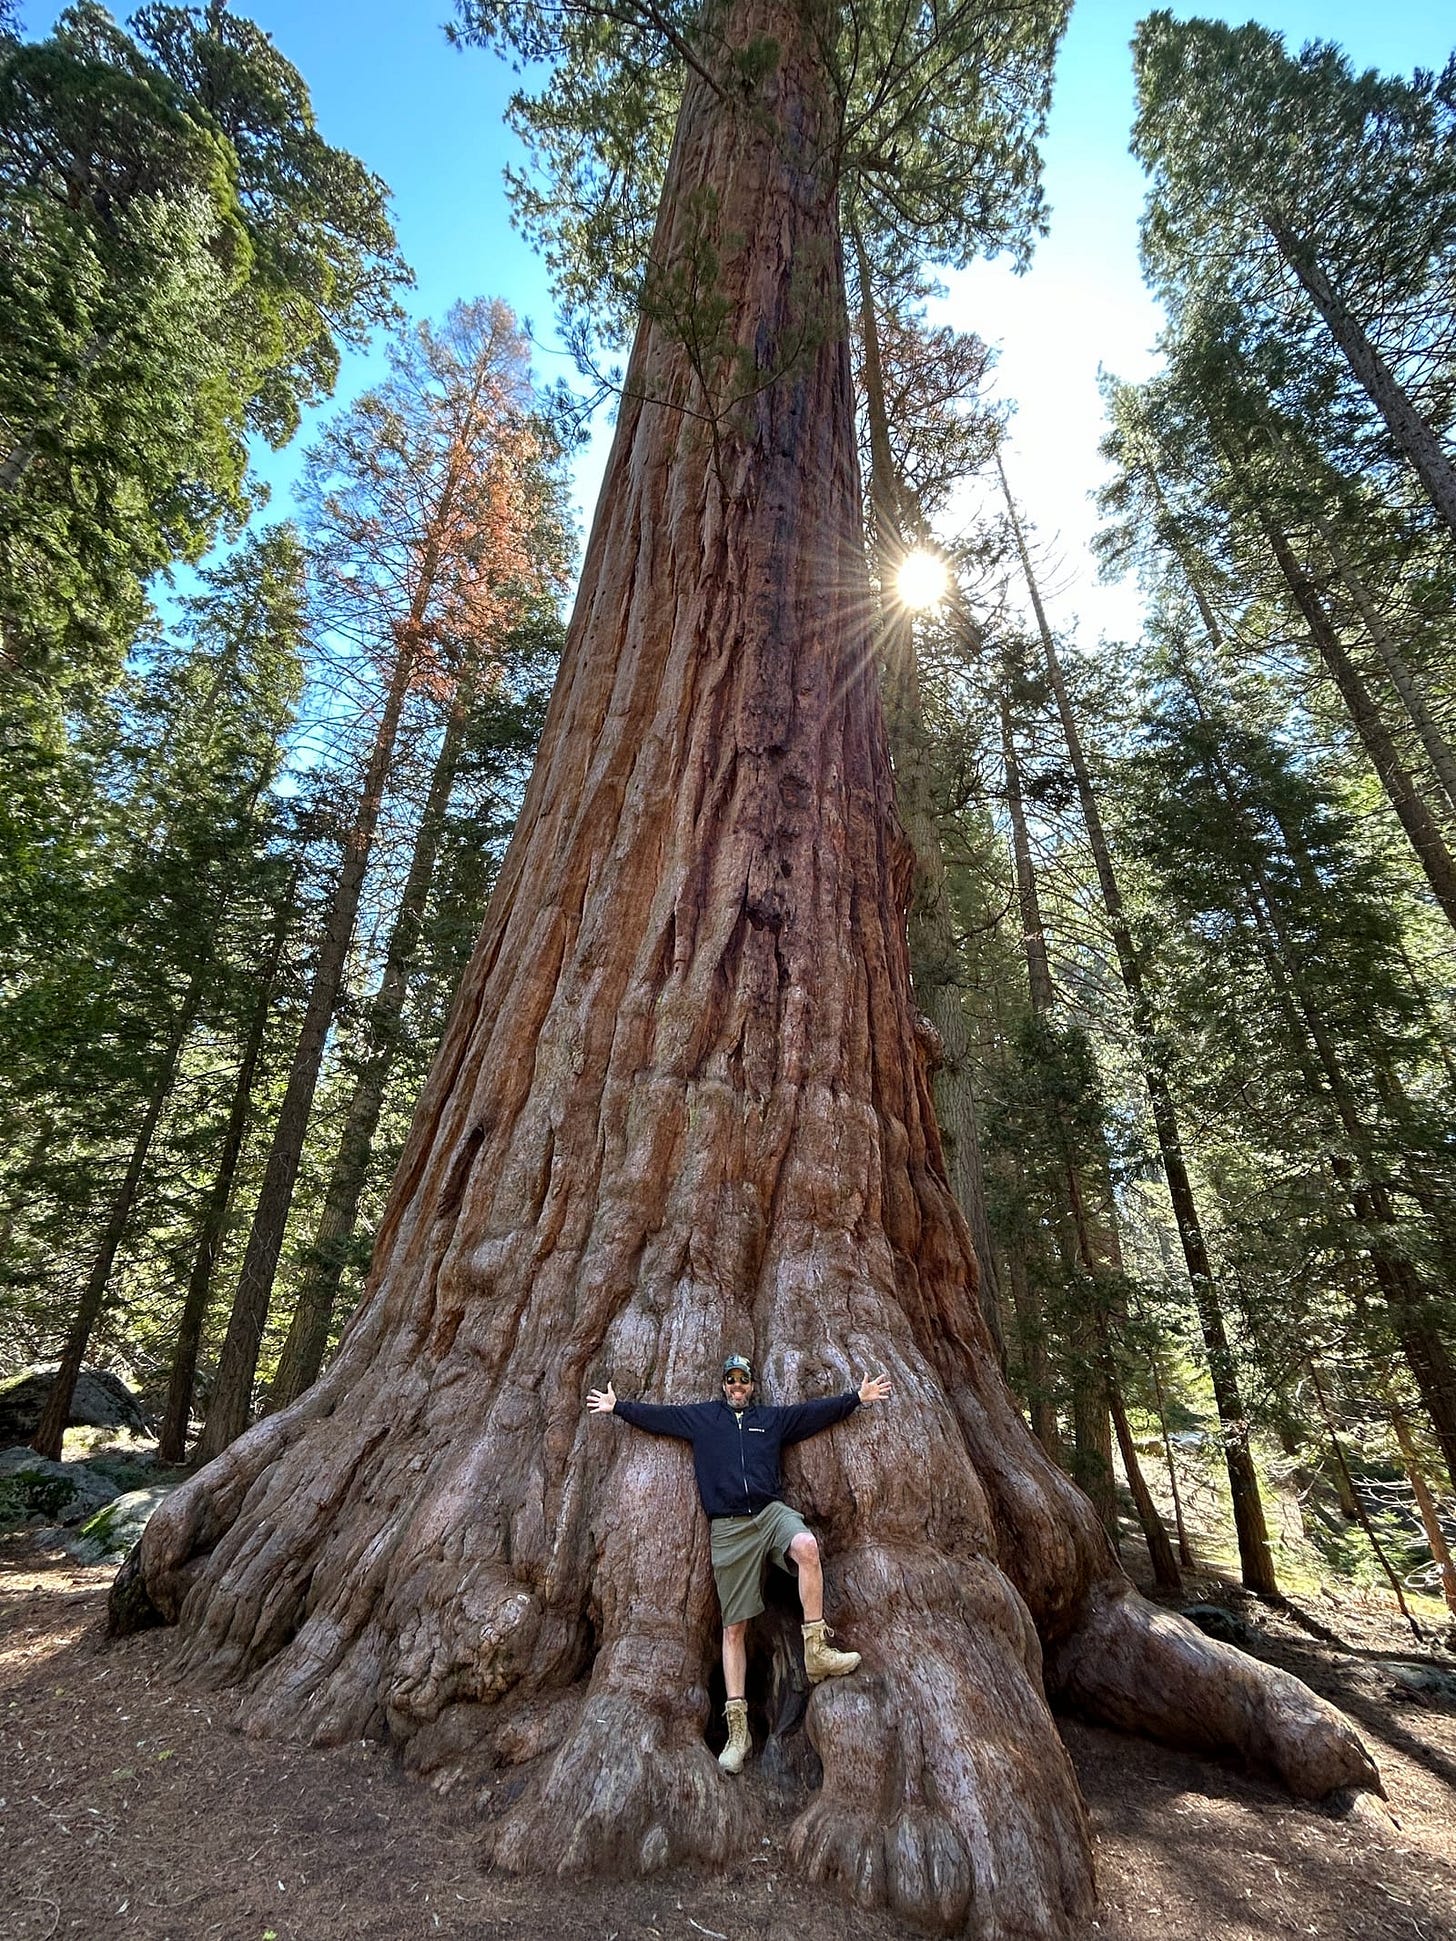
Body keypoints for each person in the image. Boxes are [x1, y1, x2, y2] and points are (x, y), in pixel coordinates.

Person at [586, 1353, 892, 1775]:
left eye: (742, 1380)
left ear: (751, 1385)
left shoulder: (770, 1420)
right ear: (723, 1384)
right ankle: (738, 1731)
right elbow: (662, 1418)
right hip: (729, 1529)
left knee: (806, 1546)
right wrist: (618, 1406)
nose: (736, 1387)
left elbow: (811, 1415)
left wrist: (855, 1398)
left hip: (769, 1513)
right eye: (730, 1380)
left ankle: (816, 1651)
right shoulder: (704, 1419)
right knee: (734, 1628)